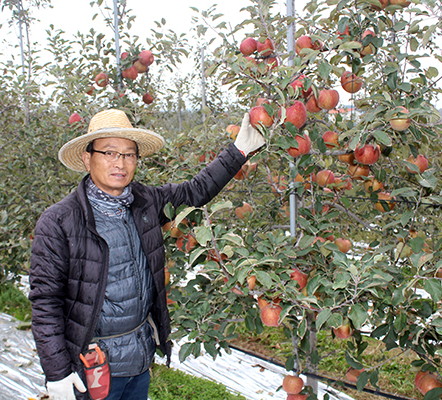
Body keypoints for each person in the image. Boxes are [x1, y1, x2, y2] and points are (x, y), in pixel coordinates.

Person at [29, 108, 265, 400]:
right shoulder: (59, 221)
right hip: (90, 369)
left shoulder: (146, 202)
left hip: (139, 360)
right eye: (110, 153)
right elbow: (45, 302)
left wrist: (240, 150)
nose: (121, 163)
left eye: (129, 154)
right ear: (87, 158)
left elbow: (196, 191)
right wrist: (57, 373)